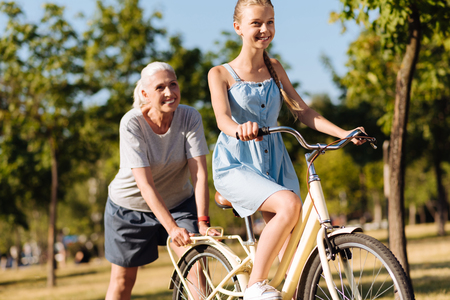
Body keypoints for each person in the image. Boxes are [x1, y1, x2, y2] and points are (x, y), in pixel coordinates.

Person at [208, 1, 366, 299]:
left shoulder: (274, 67)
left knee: (292, 258)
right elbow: (222, 119)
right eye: (256, 23)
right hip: (238, 163)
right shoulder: (220, 74)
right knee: (290, 204)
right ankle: (255, 285)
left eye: (270, 21)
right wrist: (240, 129)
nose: (265, 29)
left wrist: (343, 133)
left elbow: (302, 111)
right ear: (238, 28)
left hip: (274, 162)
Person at [104, 61, 218, 300]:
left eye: (173, 84)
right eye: (160, 87)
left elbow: (199, 174)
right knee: (123, 281)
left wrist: (203, 221)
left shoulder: (189, 117)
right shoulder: (131, 123)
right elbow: (145, 185)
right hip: (129, 207)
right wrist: (172, 228)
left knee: (197, 267)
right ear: (145, 94)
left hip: (178, 203)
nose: (169, 92)